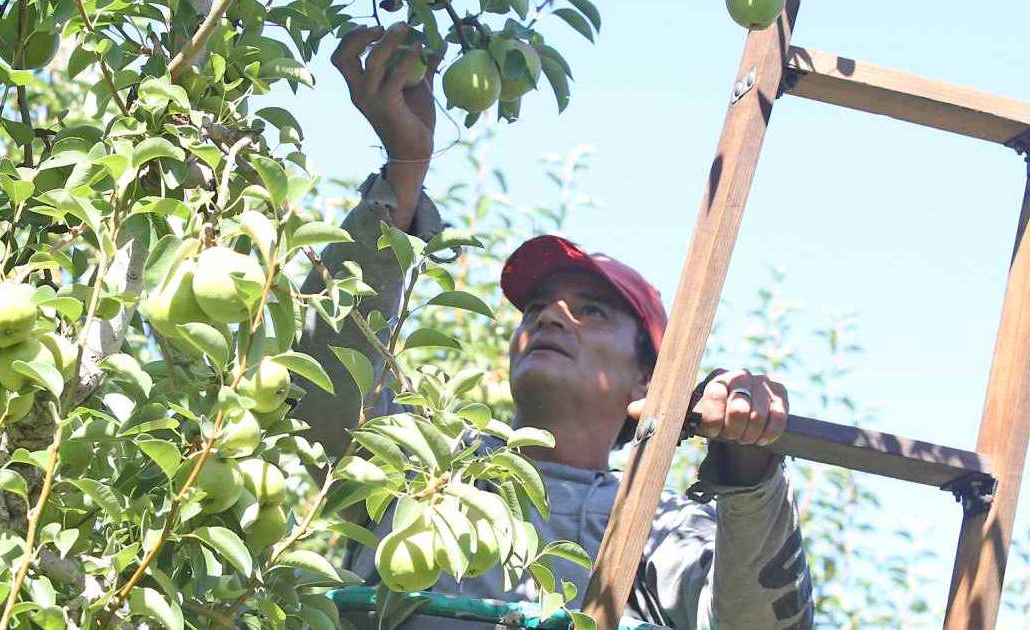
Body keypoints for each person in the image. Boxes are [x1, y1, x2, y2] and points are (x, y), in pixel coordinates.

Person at [290, 23, 814, 629]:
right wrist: (403, 172)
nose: (550, 315)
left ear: (646, 382)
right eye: (538, 306)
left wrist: (747, 469)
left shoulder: (654, 525)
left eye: (591, 310)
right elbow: (319, 392)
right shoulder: (427, 469)